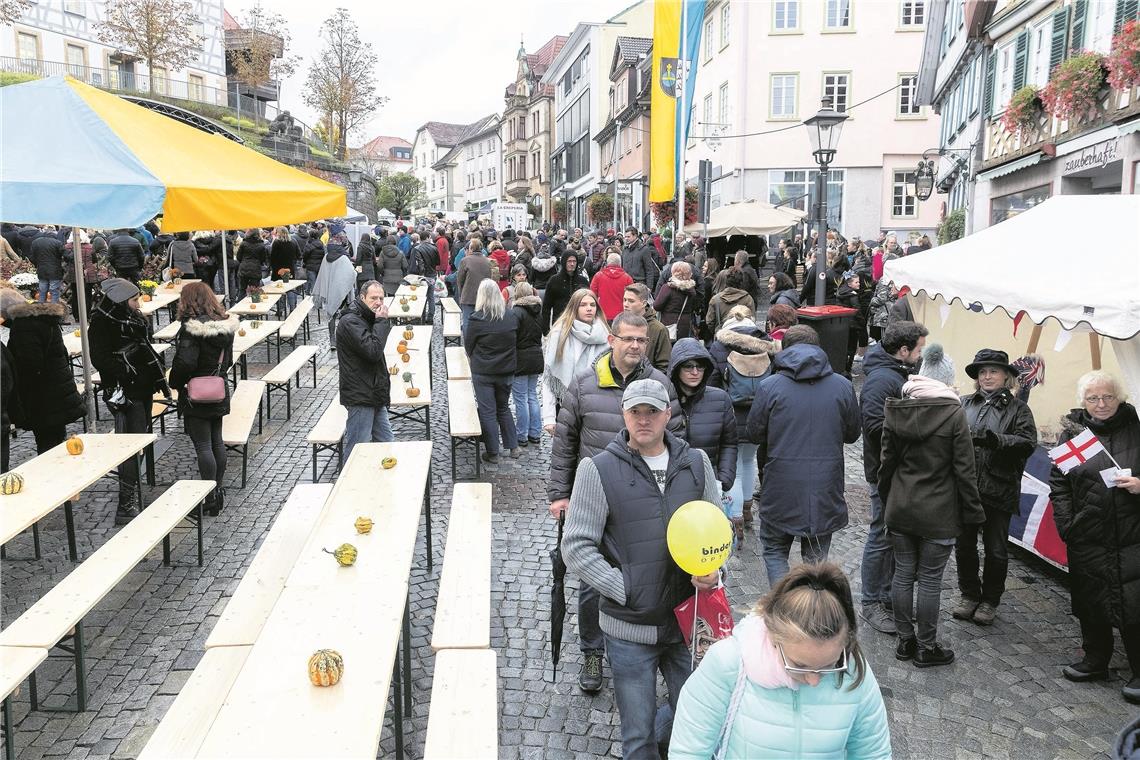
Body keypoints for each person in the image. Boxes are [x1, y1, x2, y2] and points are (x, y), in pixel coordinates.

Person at [562, 378, 721, 759]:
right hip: (629, 628)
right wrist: (624, 587)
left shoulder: (696, 464)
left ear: (668, 414)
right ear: (624, 414)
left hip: (688, 621)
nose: (644, 420)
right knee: (637, 735)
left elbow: (716, 528)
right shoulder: (596, 470)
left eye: (653, 411)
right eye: (636, 412)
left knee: (696, 719)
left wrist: (715, 569)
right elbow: (577, 546)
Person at [549, 312, 681, 695]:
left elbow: (678, 439)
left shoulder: (658, 385)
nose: (635, 346)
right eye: (628, 339)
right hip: (597, 498)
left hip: (645, 500)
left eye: (641, 340)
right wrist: (561, 492)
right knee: (593, 583)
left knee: (649, 571)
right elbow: (565, 438)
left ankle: (650, 645)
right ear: (612, 339)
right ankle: (592, 650)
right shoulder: (585, 384)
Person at [669, 563, 892, 759]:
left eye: (828, 666)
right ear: (773, 637)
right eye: (800, 665)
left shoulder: (853, 667)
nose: (814, 680)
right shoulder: (728, 662)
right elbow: (689, 751)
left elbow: (873, 753)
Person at [879, 351, 985, 667]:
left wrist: (889, 501)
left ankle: (905, 642)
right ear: (948, 380)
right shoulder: (954, 414)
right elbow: (965, 471)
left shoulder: (896, 409)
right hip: (938, 511)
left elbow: (887, 465)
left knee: (902, 574)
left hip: (901, 506)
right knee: (928, 580)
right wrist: (974, 513)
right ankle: (926, 647)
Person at [1050, 371, 1140, 702]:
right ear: (1083, 401)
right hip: (1088, 533)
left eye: (1108, 397)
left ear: (1120, 398)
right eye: (1093, 398)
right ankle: (1095, 659)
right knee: (1091, 600)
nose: (1101, 404)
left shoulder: (1137, 426)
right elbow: (1059, 482)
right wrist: (1067, 523)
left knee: (1134, 603)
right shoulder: (1073, 435)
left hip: (1133, 535)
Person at [747, 325, 860, 586]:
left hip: (780, 487)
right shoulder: (842, 385)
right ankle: (812, 613)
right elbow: (853, 434)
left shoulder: (770, 386)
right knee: (816, 562)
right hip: (825, 488)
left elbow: (754, 433)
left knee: (775, 552)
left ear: (784, 349)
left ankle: (783, 609)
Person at [954, 348, 1037, 626]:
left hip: (998, 487)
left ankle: (990, 600)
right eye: (983, 372)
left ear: (1006, 376)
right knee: (964, 545)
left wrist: (998, 440)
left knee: (996, 549)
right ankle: (969, 594)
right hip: (966, 487)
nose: (987, 376)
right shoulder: (964, 404)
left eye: (993, 371)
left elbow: (1028, 443)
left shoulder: (1019, 409)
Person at [857, 320, 928, 634]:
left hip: (898, 469)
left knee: (891, 533)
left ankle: (887, 596)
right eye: (919, 349)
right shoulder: (881, 380)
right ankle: (872, 601)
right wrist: (914, 426)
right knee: (881, 533)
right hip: (885, 472)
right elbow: (873, 426)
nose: (921, 354)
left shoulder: (897, 374)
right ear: (903, 350)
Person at [88, 278, 168, 524]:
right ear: (120, 301)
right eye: (134, 299)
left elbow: (143, 346)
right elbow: (100, 359)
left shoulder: (130, 318)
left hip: (142, 388)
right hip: (124, 392)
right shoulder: (102, 324)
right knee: (130, 445)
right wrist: (128, 370)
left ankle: (132, 488)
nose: (138, 303)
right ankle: (126, 502)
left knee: (139, 439)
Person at [168, 281, 239, 516]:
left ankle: (208, 497)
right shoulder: (225, 326)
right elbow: (227, 361)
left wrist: (175, 383)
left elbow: (185, 362)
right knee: (217, 441)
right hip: (218, 388)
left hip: (196, 392)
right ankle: (216, 491)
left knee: (203, 445)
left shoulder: (192, 328)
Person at [707, 305, 775, 541]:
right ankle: (747, 511)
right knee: (748, 461)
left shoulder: (719, 347)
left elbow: (712, 383)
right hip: (759, 415)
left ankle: (734, 517)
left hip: (731, 415)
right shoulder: (766, 344)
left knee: (732, 468)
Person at [668, 338, 738, 528]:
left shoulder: (720, 399)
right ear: (676, 369)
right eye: (688, 367)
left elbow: (729, 443)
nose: (695, 372)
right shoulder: (665, 400)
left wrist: (724, 478)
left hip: (710, 485)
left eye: (700, 366)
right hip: (672, 488)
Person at [335, 281, 393, 461]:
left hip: (373, 392)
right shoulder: (351, 321)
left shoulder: (367, 317)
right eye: (373, 298)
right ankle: (348, 486)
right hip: (361, 394)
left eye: (381, 298)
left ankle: (384, 485)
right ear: (362, 298)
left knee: (387, 443)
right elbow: (373, 351)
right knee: (357, 450)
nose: (378, 302)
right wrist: (382, 322)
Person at [540, 288, 610, 435]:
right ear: (574, 307)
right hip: (566, 404)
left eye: (592, 304)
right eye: (583, 305)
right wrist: (549, 417)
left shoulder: (605, 334)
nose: (589, 308)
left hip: (597, 407)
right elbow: (550, 378)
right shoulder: (560, 333)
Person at [465, 279, 520, 463]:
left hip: (483, 371)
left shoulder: (476, 318)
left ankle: (493, 452)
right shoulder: (511, 316)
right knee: (503, 408)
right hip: (506, 370)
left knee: (488, 411)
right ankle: (513, 446)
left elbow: (468, 345)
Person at [510, 282, 543, 447]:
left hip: (521, 358)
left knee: (521, 398)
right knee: (532, 395)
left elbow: (512, 336)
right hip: (536, 355)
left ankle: (521, 435)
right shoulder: (538, 310)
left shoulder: (516, 312)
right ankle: (535, 432)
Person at [312, 235, 357, 348]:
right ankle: (343, 338)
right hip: (342, 292)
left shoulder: (326, 257)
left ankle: (332, 339)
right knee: (344, 314)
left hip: (329, 291)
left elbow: (322, 275)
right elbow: (351, 274)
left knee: (331, 315)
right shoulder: (343, 259)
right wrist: (356, 272)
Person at [622, 283, 670, 372]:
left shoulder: (658, 329)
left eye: (631, 301)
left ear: (644, 303)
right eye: (624, 300)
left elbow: (664, 365)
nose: (625, 304)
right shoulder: (620, 324)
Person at [541, 251, 590, 332]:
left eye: (574, 261)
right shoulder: (554, 281)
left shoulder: (583, 281)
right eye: (569, 261)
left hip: (579, 324)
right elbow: (546, 307)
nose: (572, 264)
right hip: (560, 323)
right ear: (564, 262)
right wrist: (546, 330)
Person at [653, 262, 698, 340]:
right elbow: (694, 305)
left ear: (673, 272)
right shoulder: (691, 290)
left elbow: (657, 306)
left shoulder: (668, 288)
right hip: (685, 324)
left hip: (669, 323)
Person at [456, 238, 492, 334]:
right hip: (483, 295)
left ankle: (468, 346)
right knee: (481, 322)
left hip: (468, 296)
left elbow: (460, 280)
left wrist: (461, 294)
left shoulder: (465, 260)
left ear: (470, 248)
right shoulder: (487, 261)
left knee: (467, 322)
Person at [705, 269, 755, 336]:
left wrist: (717, 330)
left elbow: (710, 322)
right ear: (741, 282)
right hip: (743, 338)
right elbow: (752, 320)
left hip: (722, 337)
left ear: (726, 281)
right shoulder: (748, 299)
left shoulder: (716, 299)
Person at [590, 252, 633, 321]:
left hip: (602, 315)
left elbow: (591, 295)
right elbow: (632, 298)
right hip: (621, 316)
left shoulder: (598, 276)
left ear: (607, 263)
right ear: (620, 264)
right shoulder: (627, 278)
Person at [30, 228, 65, 305]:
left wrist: (38, 264)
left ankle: (41, 309)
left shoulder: (36, 242)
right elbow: (64, 255)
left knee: (42, 291)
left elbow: (32, 257)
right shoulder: (58, 243)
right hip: (55, 271)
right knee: (54, 291)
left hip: (41, 270)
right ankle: (53, 310)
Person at [236, 228, 268, 295]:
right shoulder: (261, 245)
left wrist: (244, 261)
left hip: (244, 269)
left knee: (242, 290)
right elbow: (263, 259)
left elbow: (238, 257)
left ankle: (241, 304)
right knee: (255, 291)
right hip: (255, 270)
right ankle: (254, 303)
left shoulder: (243, 244)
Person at [301, 226, 326, 295]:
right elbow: (324, 254)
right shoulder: (321, 244)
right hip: (319, 265)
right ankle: (312, 294)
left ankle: (313, 297)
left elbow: (305, 255)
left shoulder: (309, 244)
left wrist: (305, 263)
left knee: (312, 281)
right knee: (317, 282)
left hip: (310, 266)